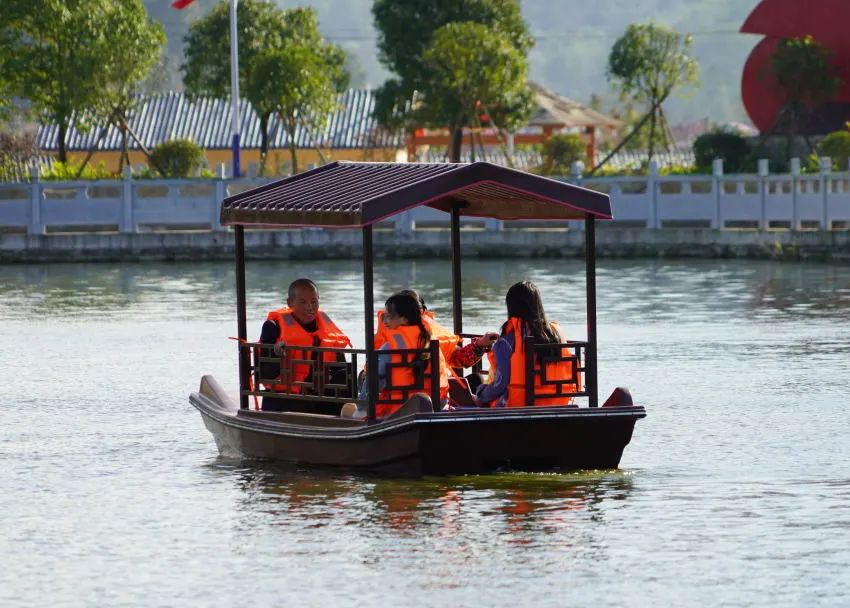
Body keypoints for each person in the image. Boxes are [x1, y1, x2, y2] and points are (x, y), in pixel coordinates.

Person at [475, 280, 579, 408]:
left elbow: (500, 385)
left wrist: (480, 393)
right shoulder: (556, 334)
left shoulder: (507, 341)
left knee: (477, 389)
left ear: (511, 306)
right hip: (558, 402)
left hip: (518, 406)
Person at [259, 278, 352, 414]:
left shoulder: (326, 328)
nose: (309, 307)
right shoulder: (273, 327)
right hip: (286, 398)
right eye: (303, 302)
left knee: (347, 373)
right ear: (290, 302)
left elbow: (339, 367)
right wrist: (277, 353)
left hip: (322, 397)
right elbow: (265, 373)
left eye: (314, 302)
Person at [357, 292, 449, 418]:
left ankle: (360, 411)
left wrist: (362, 407)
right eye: (384, 317)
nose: (385, 322)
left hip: (401, 407)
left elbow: (375, 377)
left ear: (405, 319)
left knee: (367, 377)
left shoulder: (390, 347)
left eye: (389, 317)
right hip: (438, 403)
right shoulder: (430, 341)